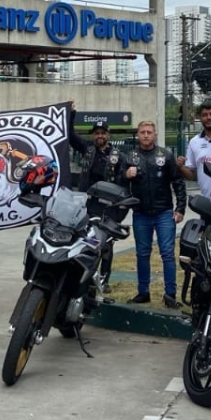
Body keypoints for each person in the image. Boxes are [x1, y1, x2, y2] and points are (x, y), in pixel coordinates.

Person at [121, 120, 186, 309]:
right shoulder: (130, 157)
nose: (146, 135)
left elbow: (178, 182)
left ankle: (170, 294)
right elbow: (119, 182)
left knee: (167, 254)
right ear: (138, 134)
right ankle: (143, 292)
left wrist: (180, 208)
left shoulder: (165, 155)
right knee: (142, 254)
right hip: (140, 213)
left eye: (149, 132)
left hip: (164, 212)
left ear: (155, 134)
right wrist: (126, 175)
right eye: (142, 132)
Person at [67, 106, 127, 292]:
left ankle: (103, 280)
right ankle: (82, 276)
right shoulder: (87, 149)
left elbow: (124, 181)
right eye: (97, 133)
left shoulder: (118, 156)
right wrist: (71, 114)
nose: (99, 136)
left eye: (103, 133)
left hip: (108, 208)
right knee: (83, 241)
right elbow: (69, 134)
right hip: (87, 205)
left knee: (106, 245)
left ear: (108, 135)